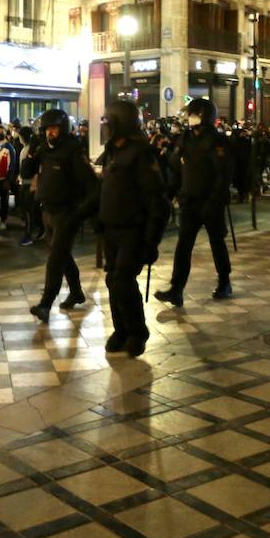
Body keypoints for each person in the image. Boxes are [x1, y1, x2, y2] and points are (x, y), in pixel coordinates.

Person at [81, 99, 168, 357]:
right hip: (111, 228)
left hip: (133, 229)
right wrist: (81, 213)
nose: (105, 126)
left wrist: (151, 242)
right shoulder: (111, 152)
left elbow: (157, 202)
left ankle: (138, 332)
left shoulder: (141, 154)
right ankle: (121, 331)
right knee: (112, 280)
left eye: (108, 122)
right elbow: (103, 190)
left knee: (122, 280)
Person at [153, 97, 233, 307]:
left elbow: (223, 175)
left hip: (210, 203)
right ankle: (176, 289)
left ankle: (224, 281)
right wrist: (168, 194)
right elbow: (177, 167)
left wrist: (214, 200)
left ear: (205, 117)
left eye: (194, 114)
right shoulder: (185, 138)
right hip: (190, 202)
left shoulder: (217, 141)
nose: (190, 118)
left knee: (217, 243)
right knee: (183, 246)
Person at [26, 109, 95, 320]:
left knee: (55, 257)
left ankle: (45, 304)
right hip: (47, 210)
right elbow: (26, 173)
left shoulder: (73, 150)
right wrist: (31, 152)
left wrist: (82, 211)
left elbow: (90, 183)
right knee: (62, 255)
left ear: (62, 129)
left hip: (67, 212)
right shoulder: (44, 149)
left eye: (54, 129)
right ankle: (76, 292)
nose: (50, 133)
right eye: (47, 129)